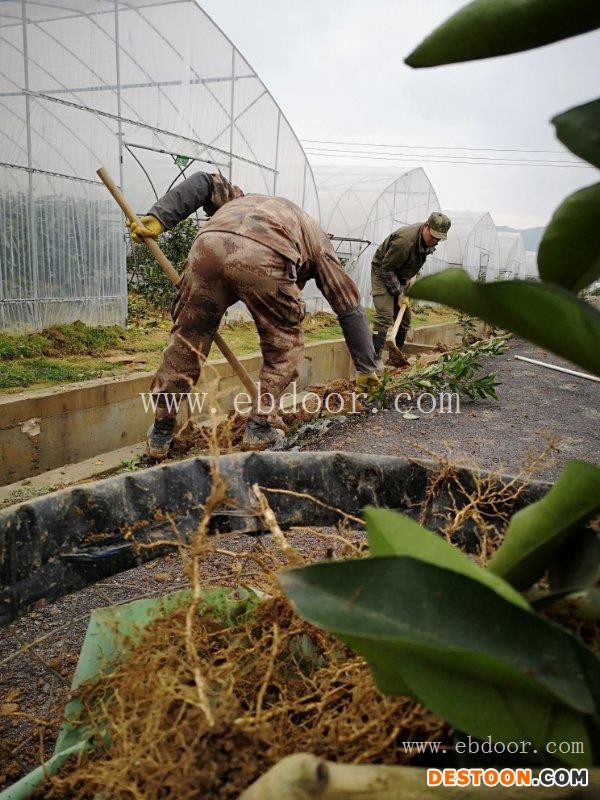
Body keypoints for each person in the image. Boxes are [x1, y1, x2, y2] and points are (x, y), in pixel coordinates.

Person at [129, 172, 380, 458]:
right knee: (283, 345)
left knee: (188, 339)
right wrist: (366, 367)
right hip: (267, 252)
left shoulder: (241, 199)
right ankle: (259, 428)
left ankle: (161, 432)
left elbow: (206, 182)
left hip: (209, 245)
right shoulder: (318, 240)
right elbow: (348, 305)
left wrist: (160, 217)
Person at [370, 211, 451, 366]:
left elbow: (415, 259)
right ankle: (373, 361)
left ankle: (395, 357)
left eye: (438, 239)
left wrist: (411, 277)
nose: (435, 241)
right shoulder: (404, 242)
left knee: (405, 320)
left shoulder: (429, 241)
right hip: (382, 271)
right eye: (433, 236)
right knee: (385, 316)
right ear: (426, 226)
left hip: (401, 274)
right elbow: (386, 269)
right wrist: (399, 293)